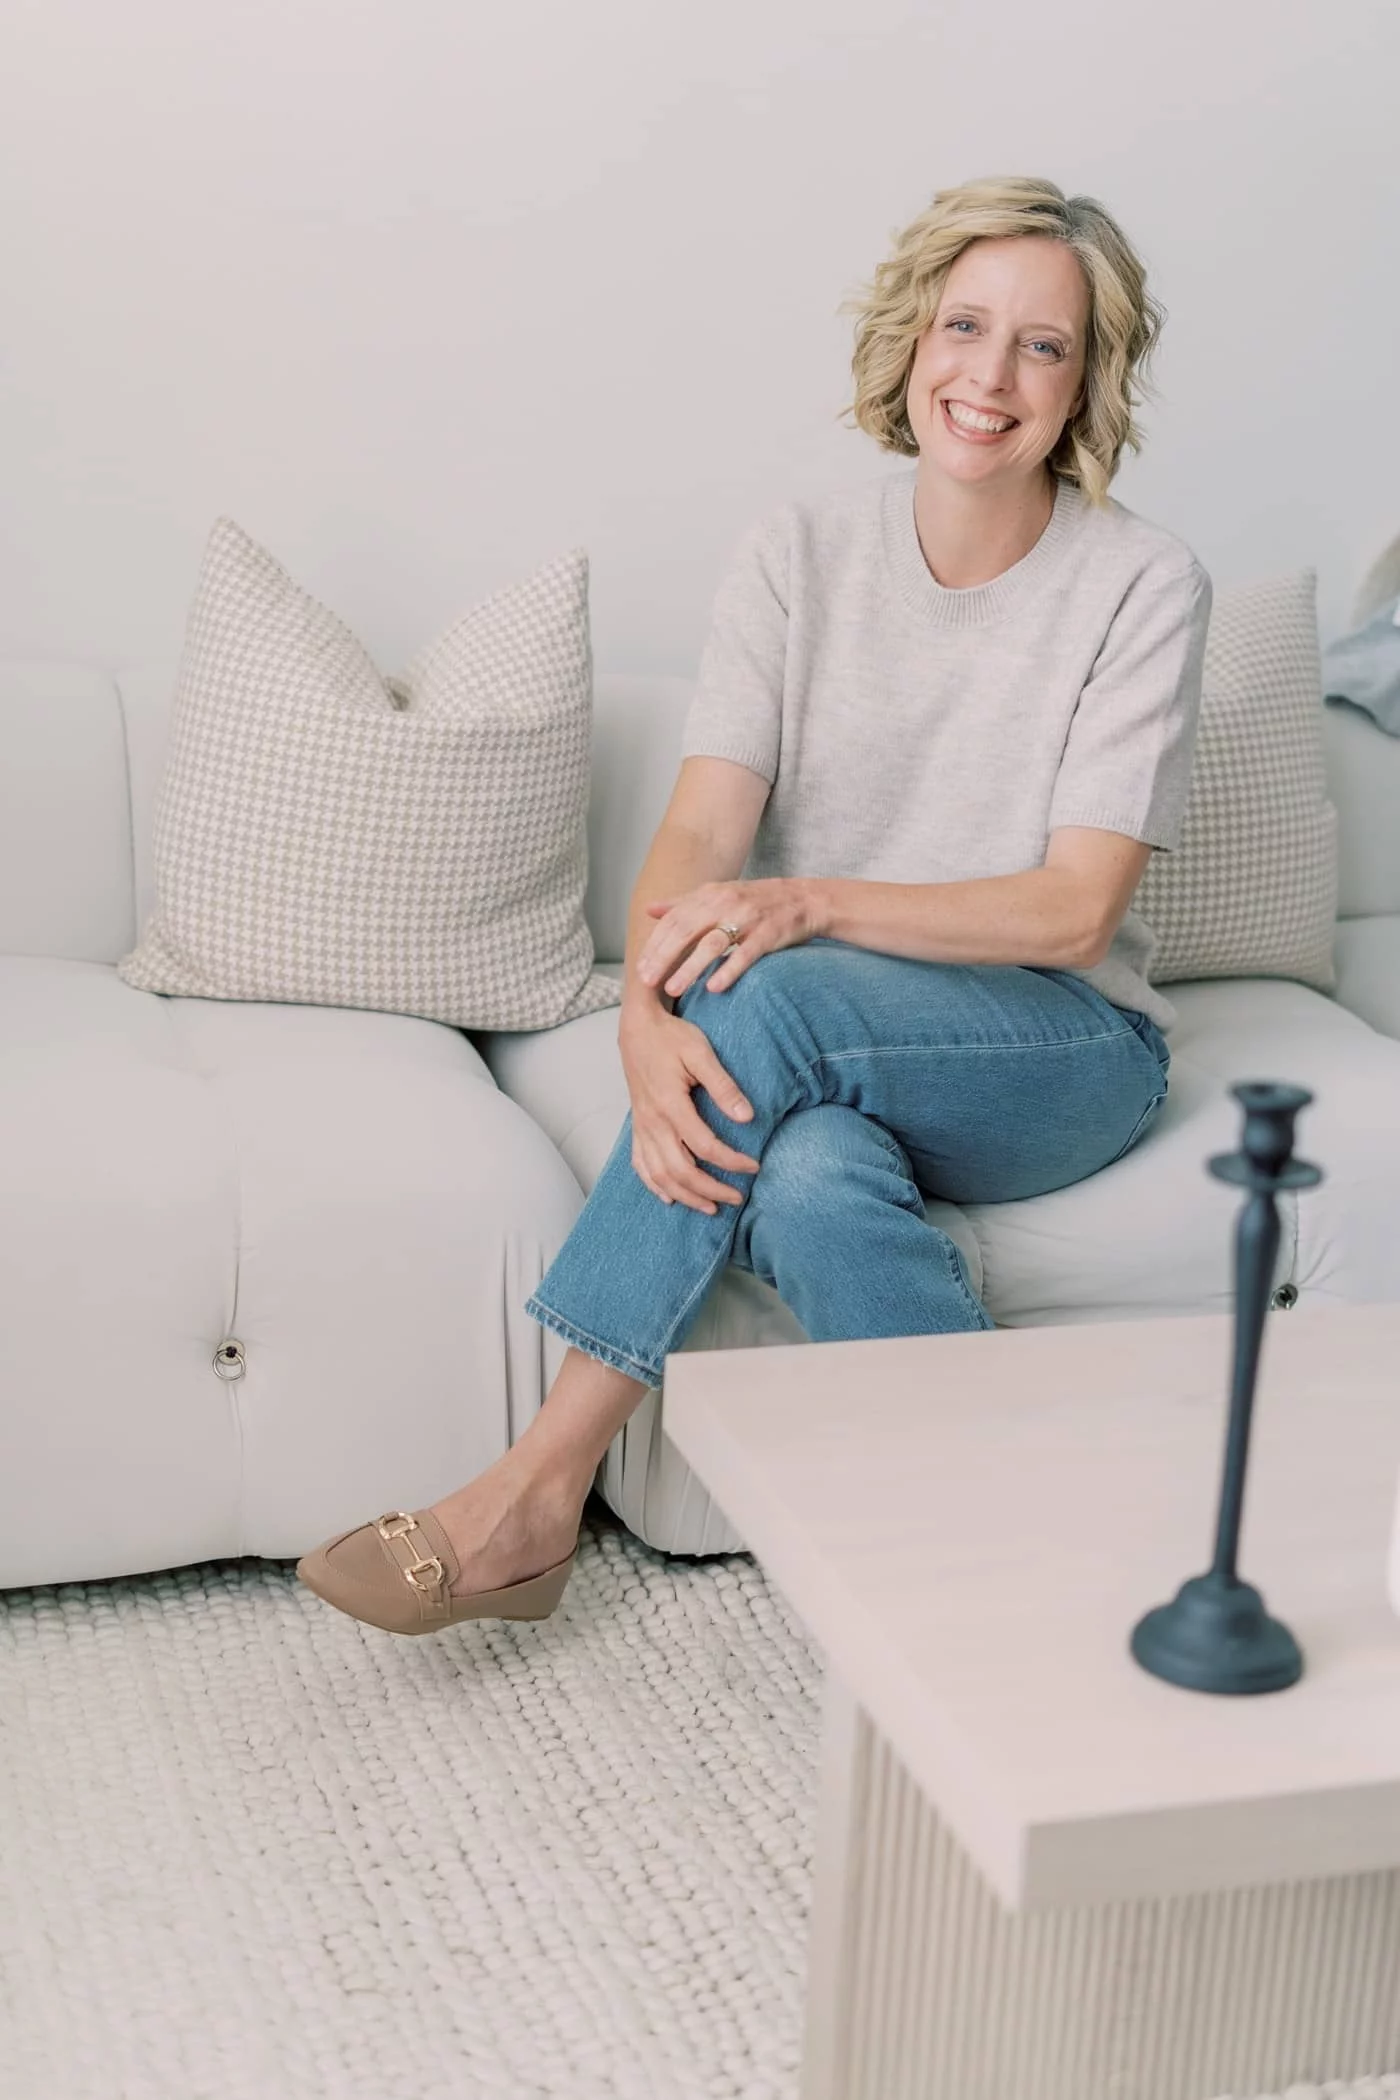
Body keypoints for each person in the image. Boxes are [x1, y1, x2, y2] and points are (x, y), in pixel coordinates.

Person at [297, 172, 1213, 1637]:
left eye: (1044, 346)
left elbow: (1072, 913)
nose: (991, 375)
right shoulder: (799, 551)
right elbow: (702, 829)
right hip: (819, 1052)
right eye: (966, 326)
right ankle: (998, 1542)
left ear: (1088, 381)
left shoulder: (1144, 583)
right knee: (806, 1178)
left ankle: (536, 1488)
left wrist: (804, 909)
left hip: (1062, 1054)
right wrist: (646, 1024)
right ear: (912, 341)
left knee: (774, 987)